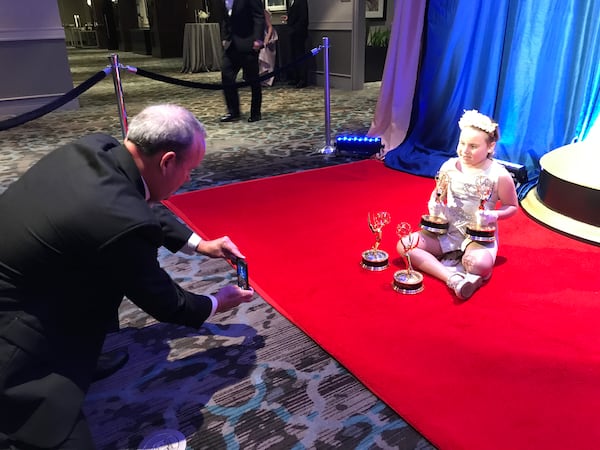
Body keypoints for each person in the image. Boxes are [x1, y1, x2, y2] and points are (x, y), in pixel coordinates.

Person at [0, 104, 255, 449]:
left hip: (31, 273)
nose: (189, 179)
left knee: (98, 279)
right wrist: (216, 303)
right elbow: (166, 302)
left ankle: (82, 357)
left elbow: (133, 207)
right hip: (14, 330)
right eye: (189, 170)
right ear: (167, 162)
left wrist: (201, 245)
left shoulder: (98, 148)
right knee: (58, 436)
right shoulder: (121, 221)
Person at [396, 110, 519, 300]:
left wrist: (494, 215)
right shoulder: (449, 166)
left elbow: (512, 206)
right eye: (462, 143)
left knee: (478, 264)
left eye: (473, 146)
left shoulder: (499, 175)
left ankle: (470, 270)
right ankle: (452, 278)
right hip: (447, 230)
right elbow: (439, 192)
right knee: (405, 245)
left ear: (490, 147)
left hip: (478, 235)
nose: (464, 150)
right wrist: (434, 205)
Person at [219, 0, 265, 123]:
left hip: (248, 44)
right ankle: (233, 111)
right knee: (226, 76)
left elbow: (259, 16)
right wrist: (224, 37)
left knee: (253, 80)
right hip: (231, 45)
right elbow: (225, 18)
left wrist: (258, 39)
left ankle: (255, 112)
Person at [282, 0, 309, 88]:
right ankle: (295, 78)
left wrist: (294, 30)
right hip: (293, 33)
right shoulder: (292, 2)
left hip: (299, 33)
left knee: (300, 56)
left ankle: (302, 79)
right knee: (293, 55)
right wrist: (288, 18)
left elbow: (303, 18)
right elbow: (295, 15)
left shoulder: (301, 1)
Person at [258, 9, 277, 87]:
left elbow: (270, 27)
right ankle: (260, 79)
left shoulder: (264, 12)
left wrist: (267, 38)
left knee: (267, 58)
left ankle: (268, 80)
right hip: (258, 35)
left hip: (267, 35)